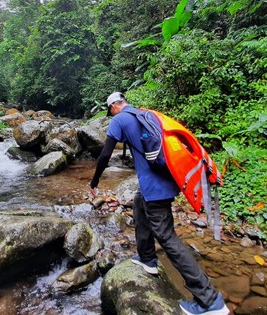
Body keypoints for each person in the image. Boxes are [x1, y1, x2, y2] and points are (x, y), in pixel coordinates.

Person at [89, 92, 229, 315]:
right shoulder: (145, 114)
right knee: (138, 202)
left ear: (115, 106)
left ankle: (210, 300)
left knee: (167, 237)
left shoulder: (120, 119)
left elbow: (105, 154)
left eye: (111, 110)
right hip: (162, 181)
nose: (111, 113)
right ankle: (148, 259)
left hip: (155, 188)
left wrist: (94, 181)